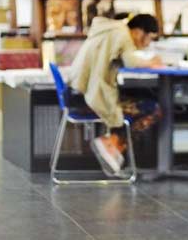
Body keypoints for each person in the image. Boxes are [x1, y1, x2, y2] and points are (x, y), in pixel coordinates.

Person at [66, 13, 163, 175]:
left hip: (77, 93)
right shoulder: (123, 34)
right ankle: (111, 143)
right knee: (153, 108)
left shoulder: (111, 30)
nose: (147, 44)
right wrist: (152, 62)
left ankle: (113, 145)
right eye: (149, 38)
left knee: (138, 101)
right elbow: (131, 62)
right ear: (139, 32)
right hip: (87, 99)